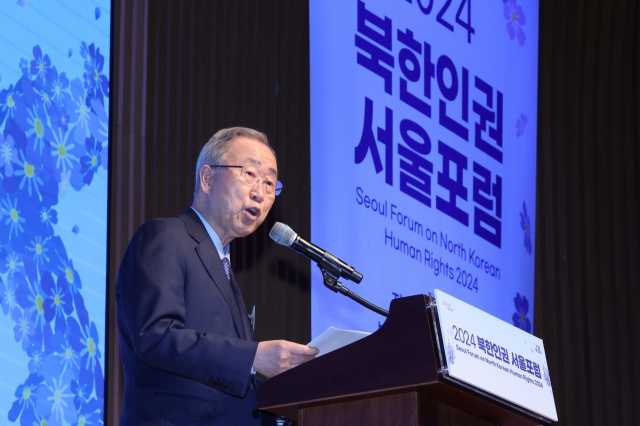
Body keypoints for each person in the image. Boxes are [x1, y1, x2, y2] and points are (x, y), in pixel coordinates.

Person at [115, 127, 318, 425]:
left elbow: (219, 387)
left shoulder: (223, 266)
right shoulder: (166, 237)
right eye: (250, 174)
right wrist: (253, 358)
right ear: (207, 178)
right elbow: (154, 337)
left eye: (269, 183)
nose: (260, 192)